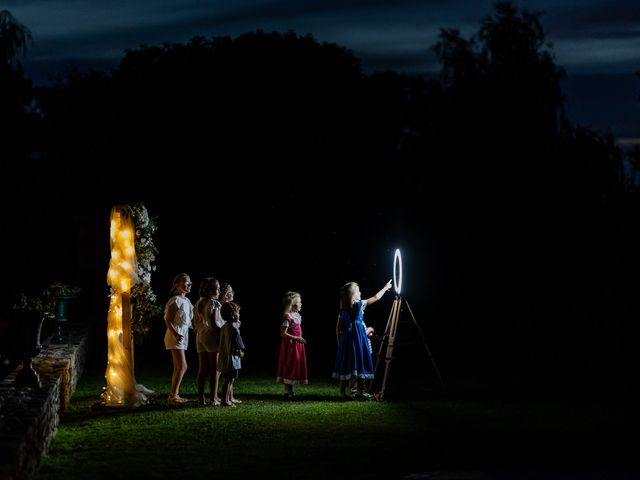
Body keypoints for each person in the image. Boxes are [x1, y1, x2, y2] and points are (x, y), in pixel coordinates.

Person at [332, 279, 392, 400]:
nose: (360, 293)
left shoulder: (342, 310)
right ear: (353, 295)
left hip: (346, 342)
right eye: (358, 291)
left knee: (346, 365)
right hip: (358, 343)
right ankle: (359, 391)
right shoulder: (359, 305)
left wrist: (339, 342)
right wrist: (386, 287)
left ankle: (342, 392)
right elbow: (376, 297)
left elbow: (338, 328)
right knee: (360, 362)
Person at [193, 277, 224, 406]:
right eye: (217, 288)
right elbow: (215, 324)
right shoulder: (214, 303)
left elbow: (194, 324)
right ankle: (213, 398)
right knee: (215, 368)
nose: (219, 291)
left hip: (200, 336)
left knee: (202, 368)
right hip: (211, 336)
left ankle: (201, 399)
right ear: (210, 290)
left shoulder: (198, 303)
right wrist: (225, 333)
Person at [163, 273, 194, 403]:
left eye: (190, 283)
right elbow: (168, 320)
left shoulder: (187, 301)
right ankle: (174, 395)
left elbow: (188, 321)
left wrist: (197, 329)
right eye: (186, 283)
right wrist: (176, 334)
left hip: (182, 335)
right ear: (177, 285)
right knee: (182, 366)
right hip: (175, 335)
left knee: (179, 367)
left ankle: (174, 394)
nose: (189, 285)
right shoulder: (175, 300)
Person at [276, 291, 308, 399]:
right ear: (292, 304)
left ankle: (290, 390)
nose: (301, 304)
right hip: (290, 345)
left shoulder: (297, 316)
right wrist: (296, 338)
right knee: (289, 365)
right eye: (299, 302)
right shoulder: (287, 317)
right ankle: (287, 390)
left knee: (295, 365)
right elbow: (283, 333)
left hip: (297, 345)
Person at [217, 301, 244, 407]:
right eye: (238, 313)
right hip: (232, 359)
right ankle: (225, 400)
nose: (239, 315)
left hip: (225, 357)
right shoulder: (233, 328)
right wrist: (239, 352)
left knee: (228, 380)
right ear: (233, 314)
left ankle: (227, 399)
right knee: (229, 380)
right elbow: (237, 343)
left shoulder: (224, 327)